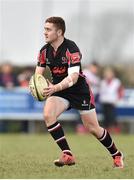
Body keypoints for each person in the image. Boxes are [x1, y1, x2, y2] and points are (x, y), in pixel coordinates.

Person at [34, 16, 124, 168]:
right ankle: (67, 154)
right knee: (48, 115)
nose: (45, 33)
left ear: (59, 32)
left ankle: (117, 154)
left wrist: (55, 87)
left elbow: (74, 77)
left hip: (78, 90)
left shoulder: (71, 48)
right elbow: (37, 76)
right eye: (44, 29)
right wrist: (36, 87)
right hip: (60, 90)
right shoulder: (44, 51)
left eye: (48, 29)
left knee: (93, 129)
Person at [99, 67, 124, 133]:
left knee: (112, 117)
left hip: (112, 102)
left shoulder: (117, 82)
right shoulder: (103, 82)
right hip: (104, 102)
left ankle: (114, 130)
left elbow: (121, 92)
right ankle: (106, 131)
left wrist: (117, 100)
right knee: (105, 118)